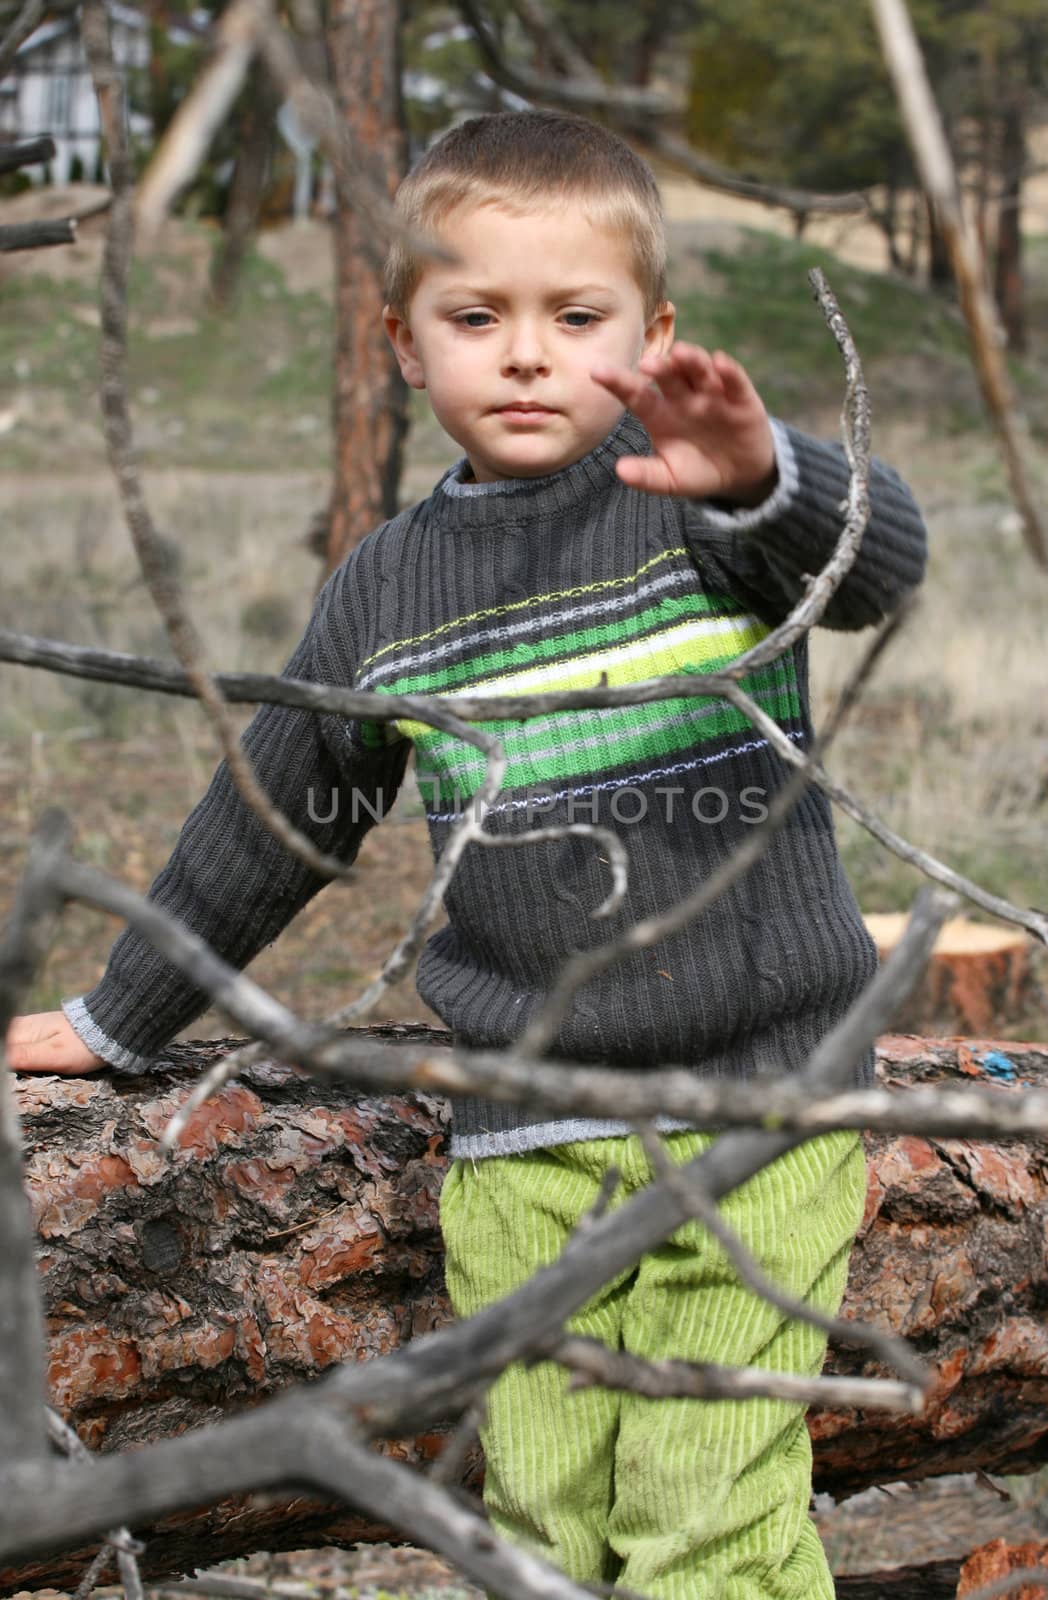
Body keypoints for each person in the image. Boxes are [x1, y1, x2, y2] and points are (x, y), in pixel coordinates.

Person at [8, 109, 926, 1598]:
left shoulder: (702, 504)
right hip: (520, 1131)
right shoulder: (386, 592)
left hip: (758, 1101)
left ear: (654, 331)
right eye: (475, 316)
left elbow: (883, 573)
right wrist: (122, 1013)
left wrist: (769, 468)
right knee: (538, 1512)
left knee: (705, 1510)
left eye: (576, 318)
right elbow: (279, 812)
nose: (524, 354)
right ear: (400, 339)